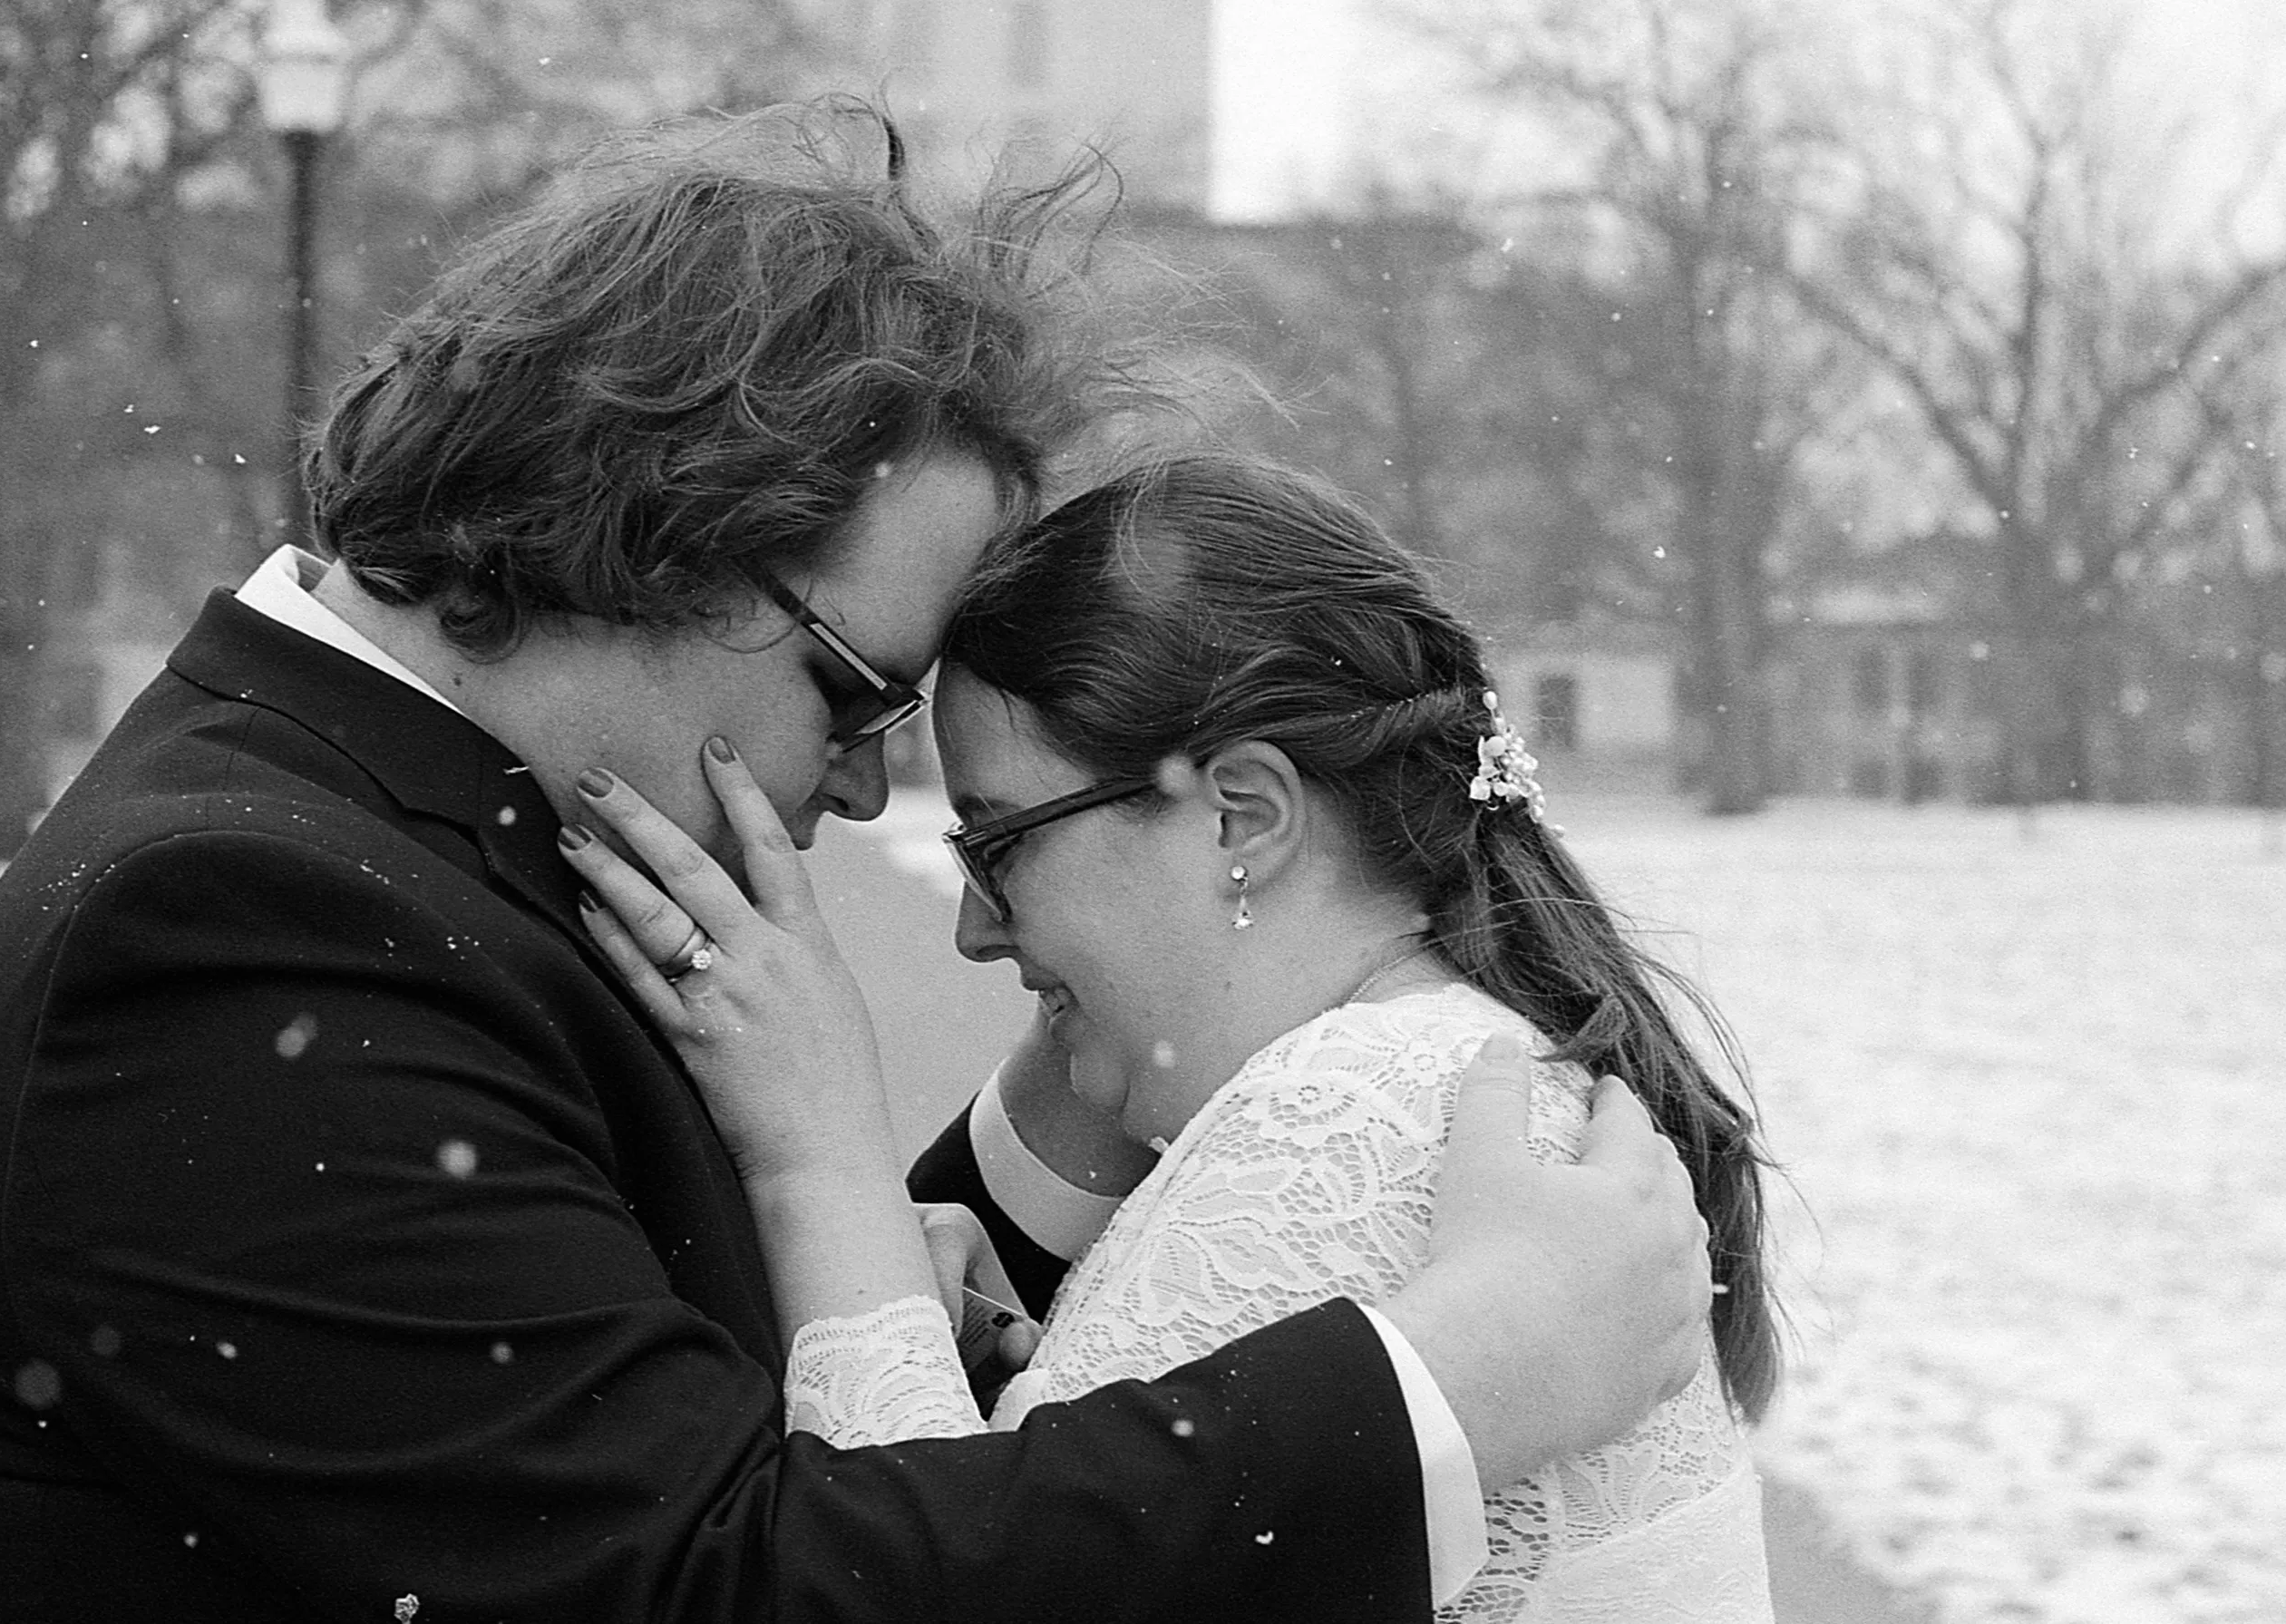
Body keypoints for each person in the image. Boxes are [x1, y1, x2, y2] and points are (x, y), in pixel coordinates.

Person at [0, 102, 1713, 1622]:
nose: (853, 796)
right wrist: (1450, 1380)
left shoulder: (367, 847)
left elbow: (614, 1412)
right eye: (855, 691)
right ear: (647, 533)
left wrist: (1009, 1176)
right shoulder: (236, 934)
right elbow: (719, 1587)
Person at [563, 454, 1782, 1619]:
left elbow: (932, 1585)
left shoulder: (1353, 1111)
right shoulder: (1455, 1066)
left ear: (1240, 816)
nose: (978, 933)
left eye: (998, 845)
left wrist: (813, 1151)